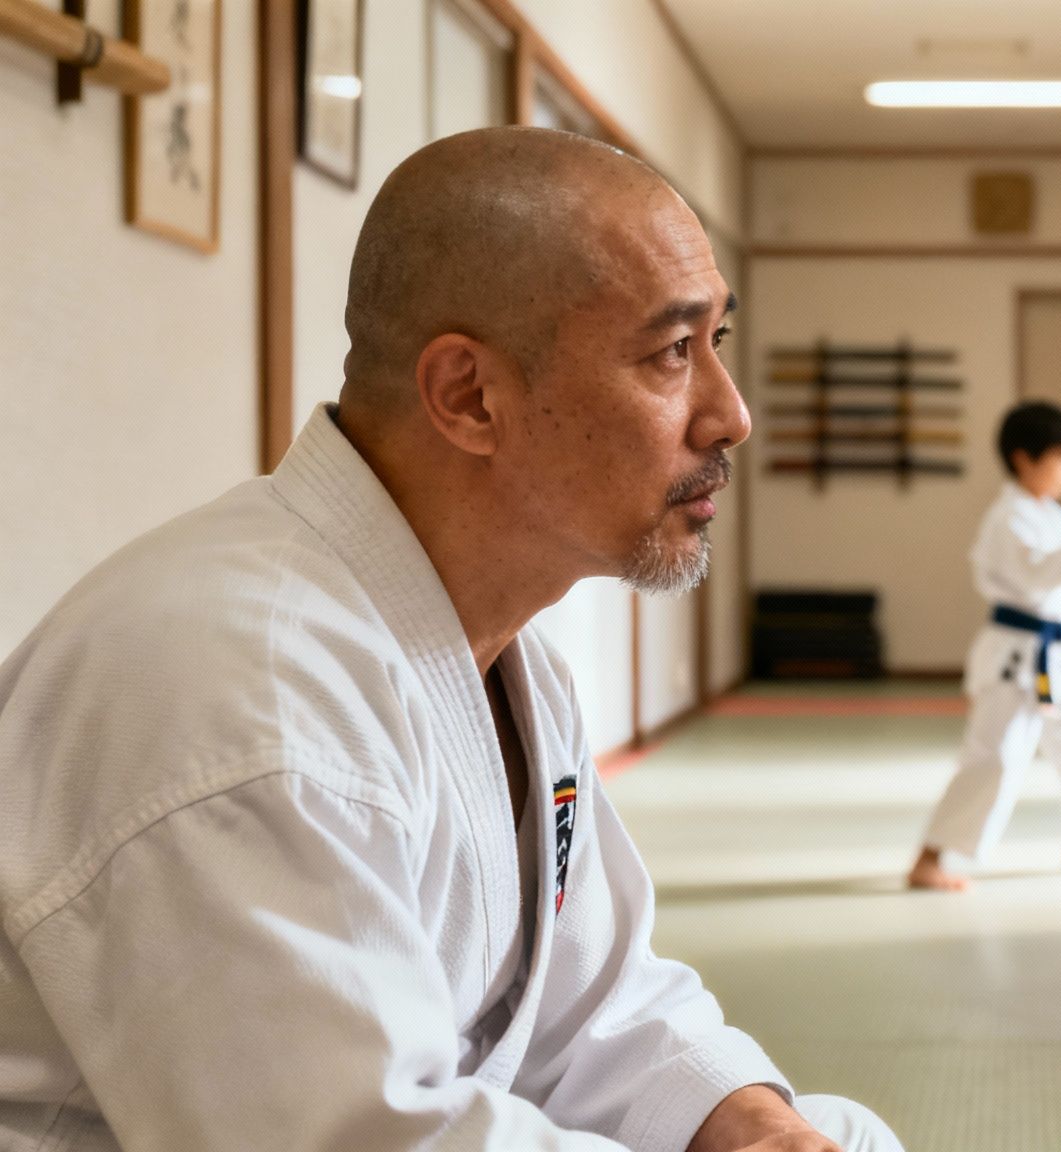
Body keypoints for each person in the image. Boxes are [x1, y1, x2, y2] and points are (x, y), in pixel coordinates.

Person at [0, 127, 900, 1152]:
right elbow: (354, 1139)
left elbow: (583, 1010)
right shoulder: (242, 692)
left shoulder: (496, 651)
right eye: (669, 353)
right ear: (470, 397)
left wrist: (746, 1125)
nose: (728, 414)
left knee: (836, 1135)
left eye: (716, 345)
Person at [907, 401, 1061, 891]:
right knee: (995, 757)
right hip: (1016, 657)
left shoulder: (1048, 514)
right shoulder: (1006, 518)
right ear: (1023, 459)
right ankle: (930, 858)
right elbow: (1038, 572)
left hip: (1057, 655)